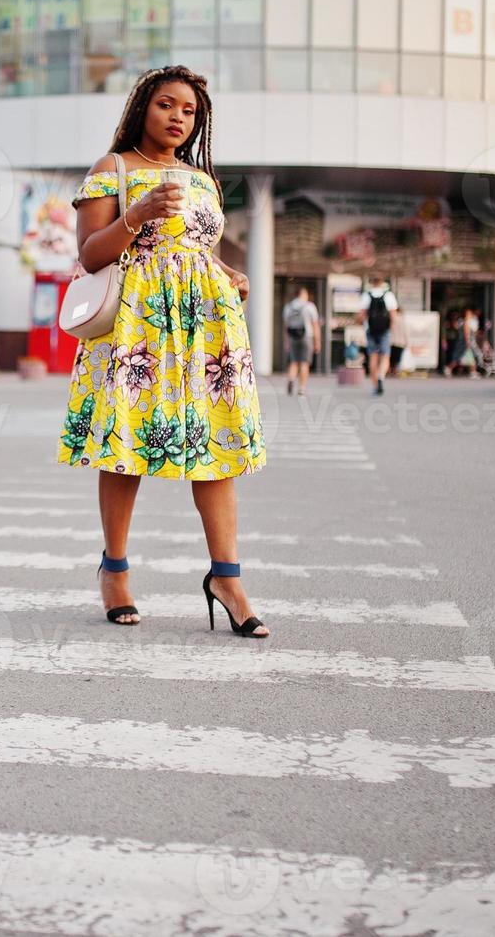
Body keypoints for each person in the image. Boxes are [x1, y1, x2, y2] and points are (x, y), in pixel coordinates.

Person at [59, 64, 268, 638]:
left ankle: (227, 577)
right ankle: (115, 569)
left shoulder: (203, 180)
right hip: (137, 328)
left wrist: (231, 274)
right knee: (125, 446)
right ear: (141, 109)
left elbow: (198, 251)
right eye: (166, 106)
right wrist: (137, 215)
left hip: (204, 324)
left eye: (189, 111)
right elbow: (92, 253)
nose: (178, 118)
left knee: (216, 443)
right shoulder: (114, 169)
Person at [356, 277, 398, 395]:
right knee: (385, 356)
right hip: (385, 330)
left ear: (372, 283)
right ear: (383, 283)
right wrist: (391, 328)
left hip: (370, 330)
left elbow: (361, 316)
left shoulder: (366, 296)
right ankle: (381, 376)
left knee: (373, 356)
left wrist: (359, 323)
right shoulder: (389, 295)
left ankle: (375, 385)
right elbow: (393, 316)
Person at [282, 285, 319, 395]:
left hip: (293, 337)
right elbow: (315, 325)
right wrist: (317, 341)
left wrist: (287, 341)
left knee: (294, 361)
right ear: (303, 294)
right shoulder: (309, 306)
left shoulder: (288, 307)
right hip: (306, 337)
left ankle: (291, 379)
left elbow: (286, 326)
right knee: (304, 362)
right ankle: (302, 388)